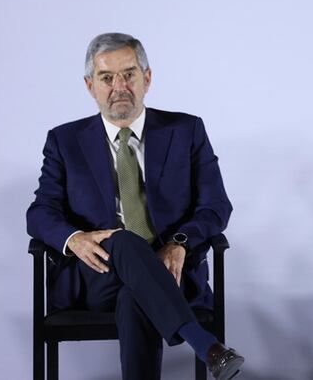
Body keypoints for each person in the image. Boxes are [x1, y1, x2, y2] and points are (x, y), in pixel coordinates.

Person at [27, 33, 245, 380]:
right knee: (122, 240)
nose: (119, 87)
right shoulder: (64, 141)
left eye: (128, 74)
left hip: (172, 273)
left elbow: (216, 206)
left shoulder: (186, 130)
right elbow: (40, 213)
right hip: (97, 275)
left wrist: (179, 243)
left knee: (135, 297)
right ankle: (207, 346)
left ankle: (206, 346)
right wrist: (75, 239)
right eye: (106, 77)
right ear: (90, 85)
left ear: (147, 78)